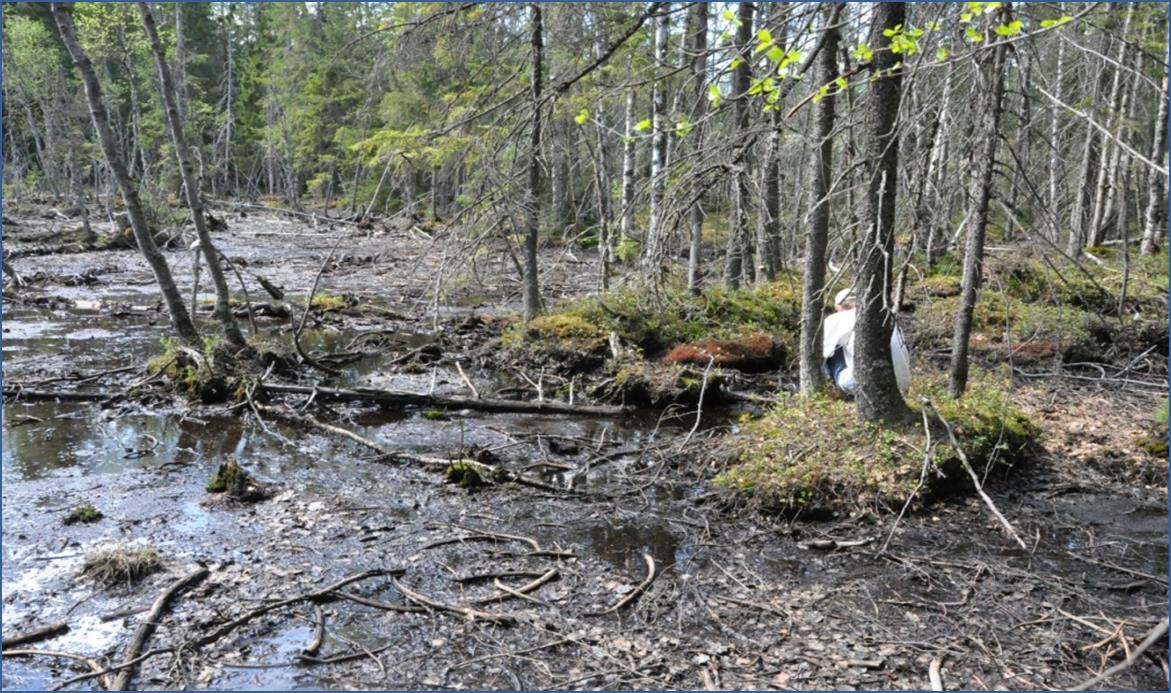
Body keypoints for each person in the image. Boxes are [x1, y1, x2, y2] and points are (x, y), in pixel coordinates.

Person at [822, 288, 911, 396]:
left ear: (838, 307)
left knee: (830, 348)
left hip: (863, 385)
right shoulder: (887, 317)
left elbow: (818, 351)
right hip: (901, 383)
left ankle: (826, 390)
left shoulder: (837, 319)